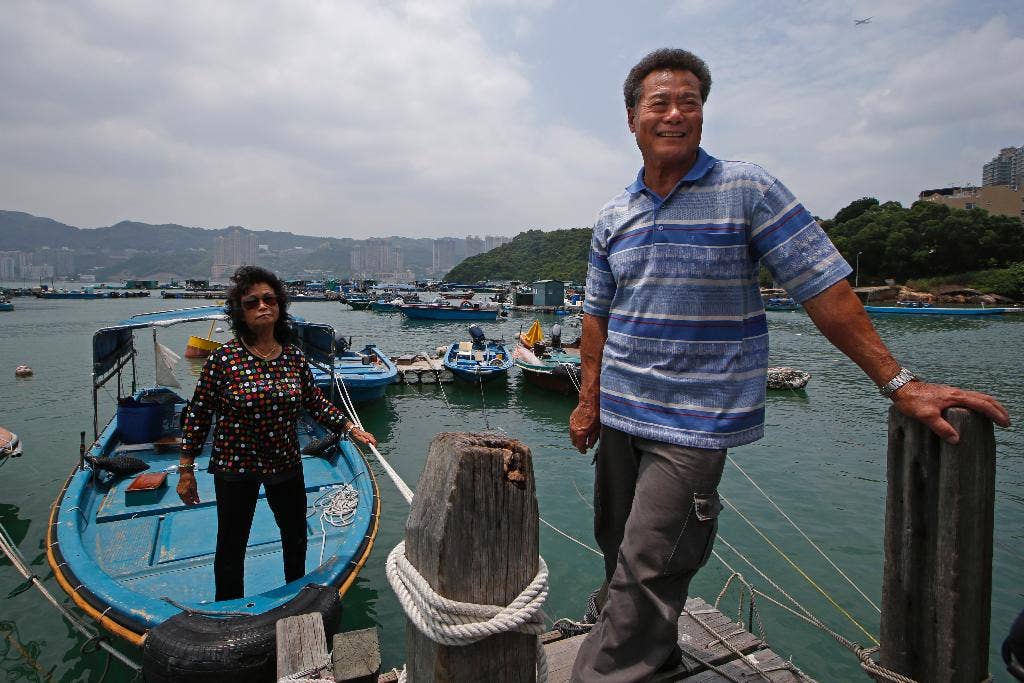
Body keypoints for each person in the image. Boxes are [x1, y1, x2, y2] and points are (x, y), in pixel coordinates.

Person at [568, 48, 1011, 681]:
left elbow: (823, 291)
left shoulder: (746, 188)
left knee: (649, 562)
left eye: (689, 102)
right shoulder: (615, 215)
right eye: (658, 103)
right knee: (618, 544)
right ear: (632, 118)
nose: (675, 114)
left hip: (696, 423)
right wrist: (589, 402)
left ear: (702, 113)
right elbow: (597, 318)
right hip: (622, 413)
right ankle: (658, 659)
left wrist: (900, 382)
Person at [177, 265, 377, 601]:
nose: (262, 306)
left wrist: (349, 427)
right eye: (251, 302)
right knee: (231, 543)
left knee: (295, 536)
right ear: (240, 312)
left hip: (284, 462)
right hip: (235, 466)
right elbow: (198, 413)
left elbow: (315, 403)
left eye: (269, 299)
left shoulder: (293, 359)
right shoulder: (224, 359)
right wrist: (186, 469)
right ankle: (229, 608)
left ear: (280, 305)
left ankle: (294, 596)